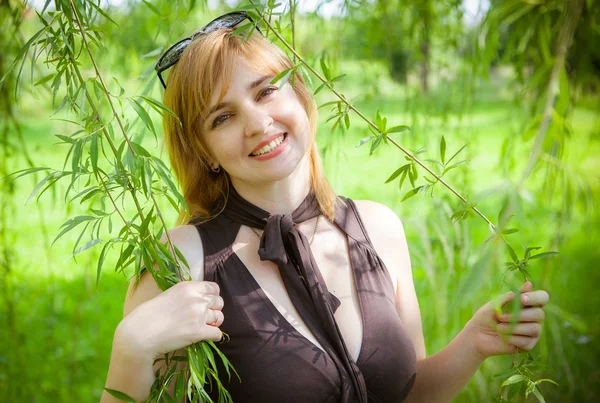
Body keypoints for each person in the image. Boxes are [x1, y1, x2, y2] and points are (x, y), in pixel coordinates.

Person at [101, 11, 549, 403]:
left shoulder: (379, 228)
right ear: (204, 152)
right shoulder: (179, 262)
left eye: (265, 92)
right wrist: (130, 349)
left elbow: (408, 393)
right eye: (223, 117)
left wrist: (473, 343)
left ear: (299, 95)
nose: (258, 123)